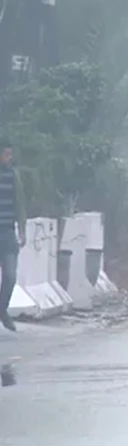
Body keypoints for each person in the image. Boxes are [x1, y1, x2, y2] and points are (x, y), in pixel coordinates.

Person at [0, 138, 27, 332]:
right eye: (6, 154)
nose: (10, 158)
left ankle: (2, 310)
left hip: (8, 232)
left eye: (11, 154)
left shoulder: (13, 175)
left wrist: (23, 229)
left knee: (10, 275)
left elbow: (20, 204)